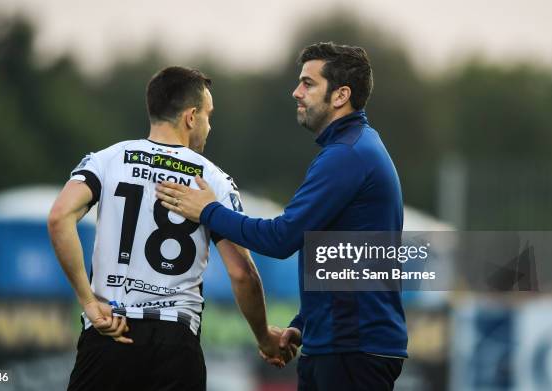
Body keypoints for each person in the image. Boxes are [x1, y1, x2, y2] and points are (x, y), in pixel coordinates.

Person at [156, 43, 407, 390]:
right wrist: (305, 323)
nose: (296, 92)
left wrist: (209, 210)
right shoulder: (354, 148)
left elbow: (281, 237)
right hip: (341, 343)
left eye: (308, 83)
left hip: (352, 349)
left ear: (341, 95)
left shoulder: (347, 155)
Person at [47, 66, 288, 391]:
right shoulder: (213, 179)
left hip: (109, 332)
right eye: (208, 115)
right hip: (175, 345)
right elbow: (242, 272)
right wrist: (264, 337)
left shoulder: (108, 159)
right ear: (191, 117)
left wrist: (88, 301)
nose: (209, 125)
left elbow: (59, 217)